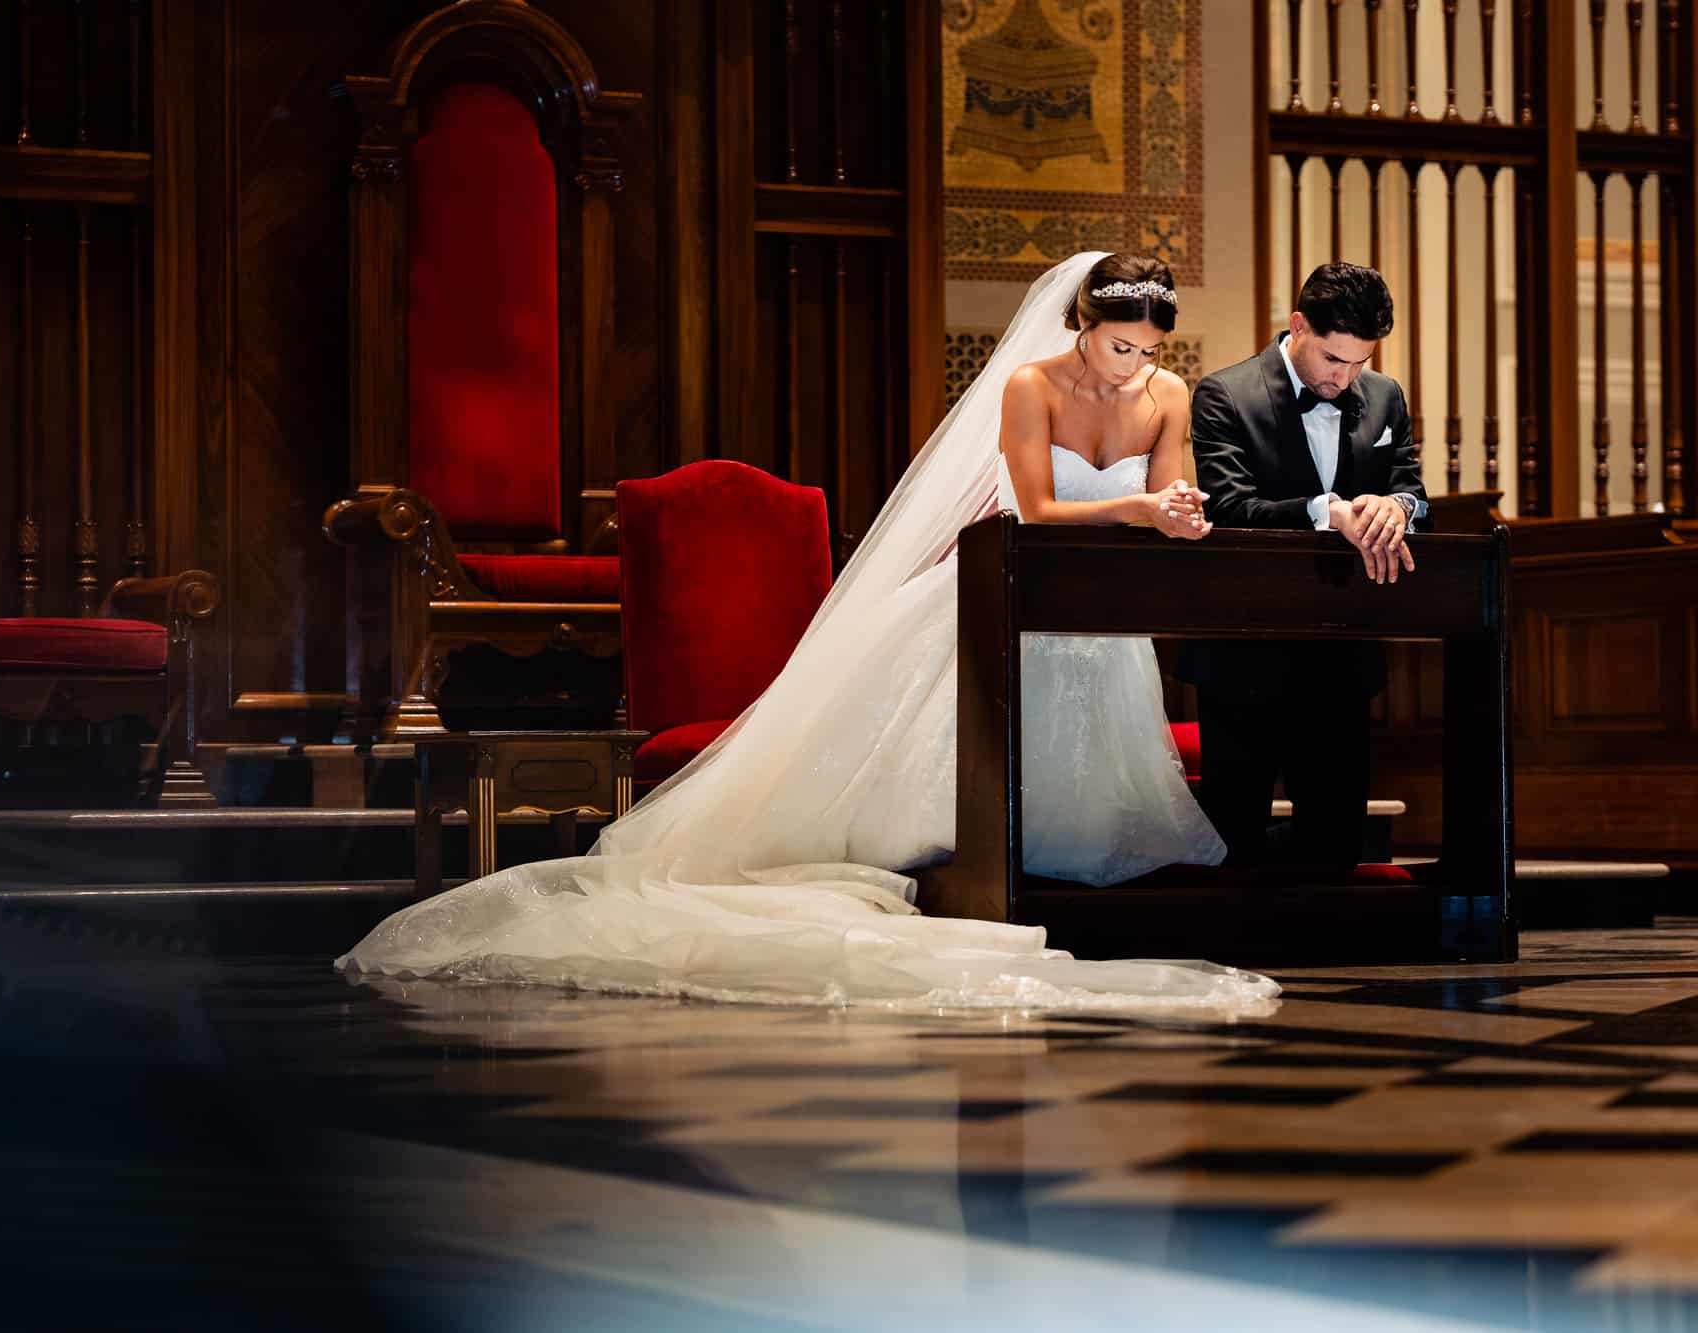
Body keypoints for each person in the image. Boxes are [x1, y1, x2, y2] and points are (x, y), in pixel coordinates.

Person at [336, 252, 1275, 1014]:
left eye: (1148, 350)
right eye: (1118, 346)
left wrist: (1179, 516)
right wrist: (1141, 510)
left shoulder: (1169, 395)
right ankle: (960, 858)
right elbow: (1029, 506)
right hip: (1010, 586)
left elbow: (1169, 492)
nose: (1132, 366)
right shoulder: (1030, 385)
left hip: (1100, 612)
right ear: (1083, 325)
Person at [1182, 262, 1429, 869]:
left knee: (1336, 843)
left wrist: (1395, 507)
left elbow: (1416, 493)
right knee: (1234, 837)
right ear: (1298, 326)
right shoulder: (1223, 393)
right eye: (1332, 360)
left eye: (1359, 363)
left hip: (1343, 647)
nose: (1344, 378)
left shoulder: (1386, 396)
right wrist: (1330, 511)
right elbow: (1232, 508)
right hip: (1244, 647)